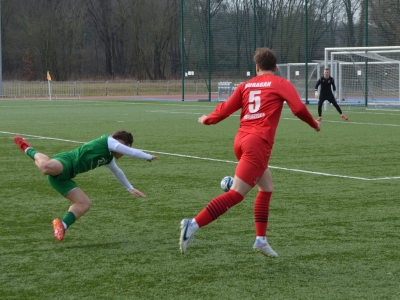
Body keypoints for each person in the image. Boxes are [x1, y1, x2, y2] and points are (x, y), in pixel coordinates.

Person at [179, 47, 320, 258]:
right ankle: (193, 224)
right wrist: (314, 125)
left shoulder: (246, 85)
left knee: (267, 187)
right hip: (258, 144)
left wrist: (208, 119)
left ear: (256, 67)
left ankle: (261, 240)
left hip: (241, 140)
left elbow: (225, 108)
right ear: (276, 67)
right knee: (236, 194)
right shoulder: (281, 83)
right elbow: (299, 109)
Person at [13, 130, 157, 241]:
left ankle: (61, 226)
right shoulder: (108, 141)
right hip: (65, 162)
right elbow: (131, 152)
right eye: (124, 147)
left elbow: (117, 172)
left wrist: (130, 188)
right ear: (119, 143)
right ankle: (26, 147)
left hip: (64, 178)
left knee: (84, 203)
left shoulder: (108, 158)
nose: (123, 152)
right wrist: (147, 156)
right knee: (46, 167)